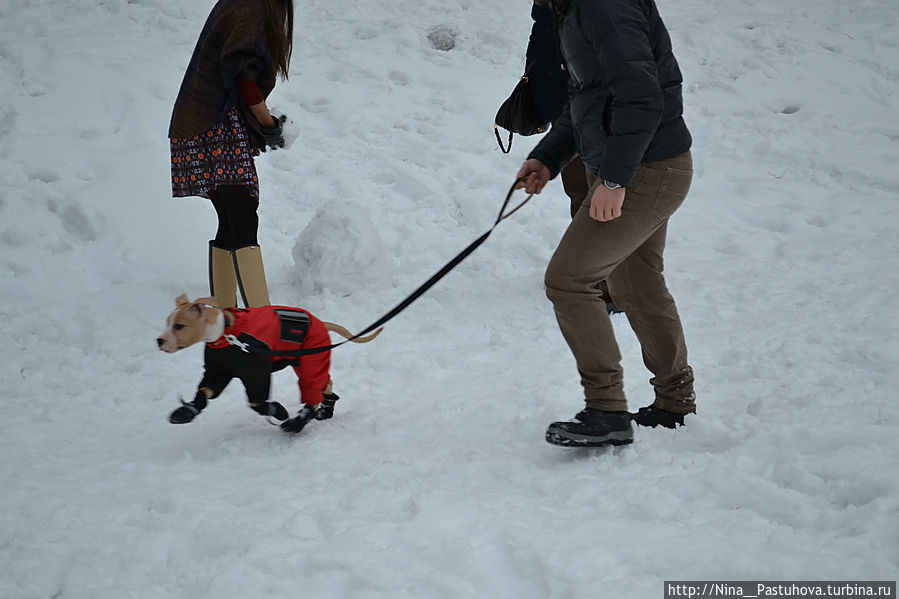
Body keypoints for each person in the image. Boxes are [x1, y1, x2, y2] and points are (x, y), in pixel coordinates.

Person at [517, 0, 696, 446]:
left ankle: (606, 409)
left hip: (646, 169)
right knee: (637, 284)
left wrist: (615, 179)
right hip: (634, 164)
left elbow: (641, 95)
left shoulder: (603, 6)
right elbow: (589, 98)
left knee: (568, 280)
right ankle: (674, 400)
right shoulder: (574, 9)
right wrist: (549, 156)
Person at [169, 0, 294, 308]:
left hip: (197, 120)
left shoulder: (239, 3)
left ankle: (226, 316)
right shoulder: (253, 7)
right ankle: (260, 318)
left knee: (231, 217)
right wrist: (269, 125)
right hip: (213, 124)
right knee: (241, 216)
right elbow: (245, 79)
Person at [525, 1, 619, 314]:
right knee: (580, 192)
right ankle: (593, 276)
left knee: (598, 196)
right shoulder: (553, 10)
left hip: (594, 111)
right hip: (564, 104)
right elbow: (543, 40)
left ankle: (608, 284)